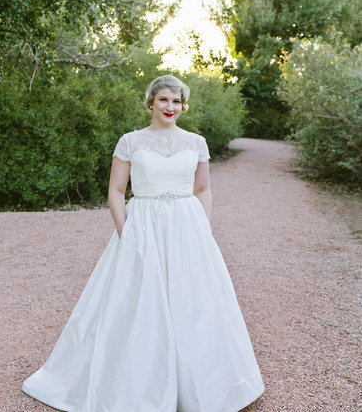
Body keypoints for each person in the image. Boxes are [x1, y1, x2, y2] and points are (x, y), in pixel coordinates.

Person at [22, 74, 265, 412]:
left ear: (184, 105)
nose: (170, 107)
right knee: (135, 302)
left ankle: (205, 389)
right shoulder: (131, 141)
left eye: (176, 101)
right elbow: (116, 191)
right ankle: (132, 386)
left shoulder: (196, 142)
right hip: (142, 224)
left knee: (195, 303)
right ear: (151, 102)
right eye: (164, 100)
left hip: (186, 226)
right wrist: (125, 231)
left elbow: (204, 189)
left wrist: (202, 228)